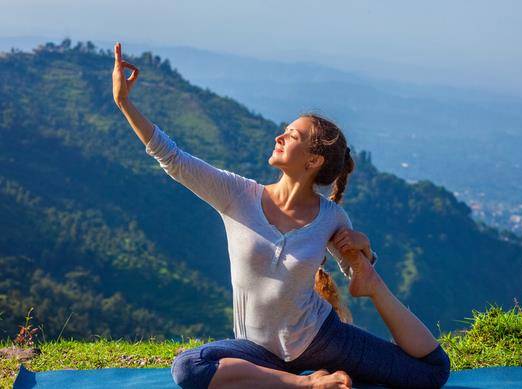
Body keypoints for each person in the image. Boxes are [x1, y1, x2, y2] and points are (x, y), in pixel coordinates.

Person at [112, 41, 450, 389]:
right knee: (189, 367)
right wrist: (125, 103)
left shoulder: (331, 218)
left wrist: (364, 254)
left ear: (313, 161)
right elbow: (174, 159)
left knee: (432, 372)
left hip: (323, 337)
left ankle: (300, 377)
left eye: (291, 136)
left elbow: (354, 274)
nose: (279, 136)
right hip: (256, 351)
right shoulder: (237, 195)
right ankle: (305, 384)